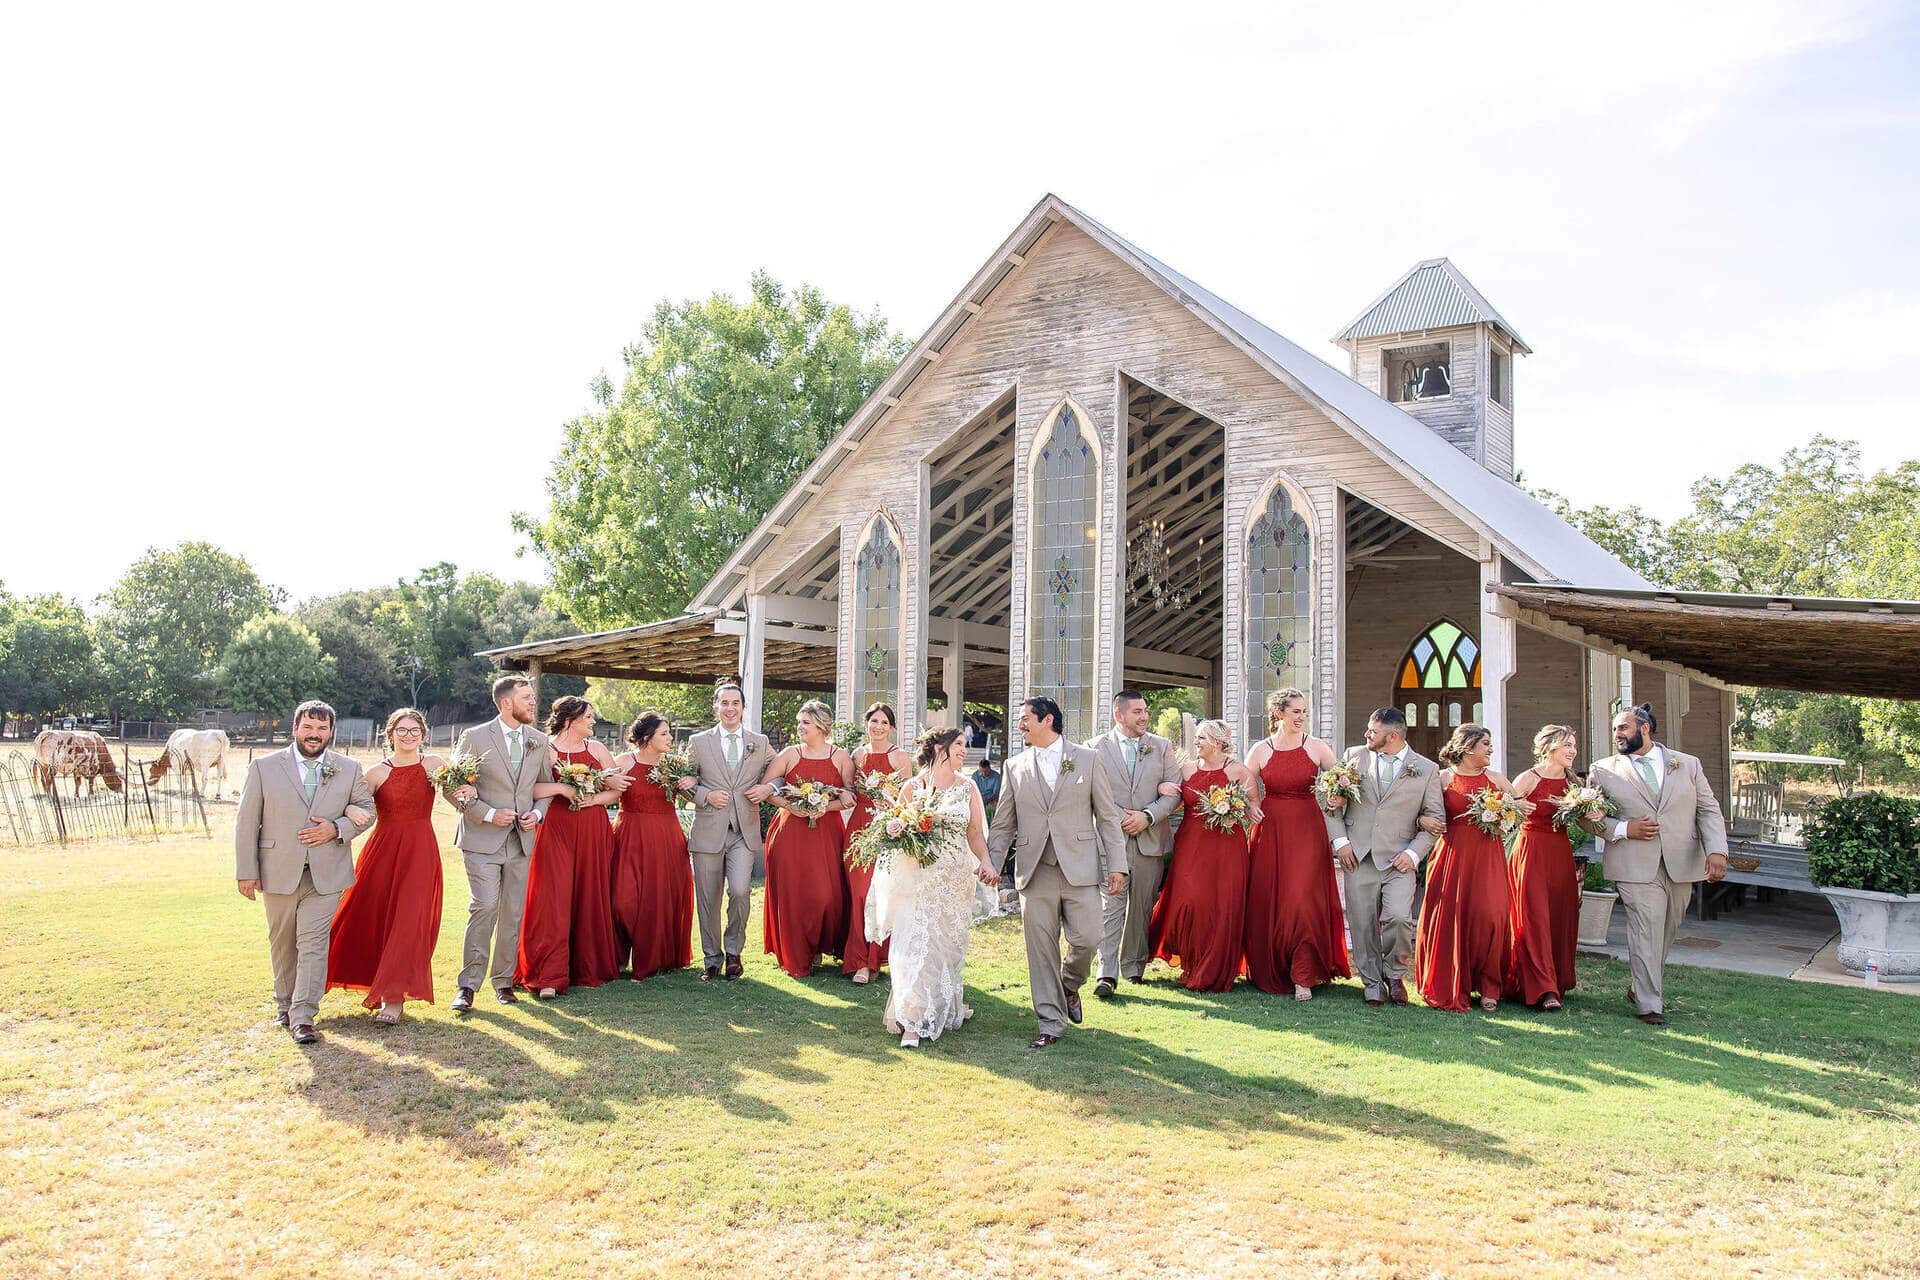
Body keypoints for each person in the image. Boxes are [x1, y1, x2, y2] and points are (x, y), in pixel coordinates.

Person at [986, 696, 1126, 1049]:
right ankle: (1050, 1022)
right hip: (1035, 872)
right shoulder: (1014, 766)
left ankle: (1068, 985)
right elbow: (1003, 824)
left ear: (1047, 720)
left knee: (1089, 938)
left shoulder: (1088, 759)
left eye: (1024, 719)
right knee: (1040, 950)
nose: (1020, 725)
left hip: (1080, 867)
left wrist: (1118, 865)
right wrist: (991, 862)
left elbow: (1107, 817)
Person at [234, 699, 374, 1044]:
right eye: (308, 727)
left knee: (313, 943)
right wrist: (245, 871)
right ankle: (284, 1003)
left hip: (327, 872)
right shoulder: (264, 768)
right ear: (295, 728)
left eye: (322, 728)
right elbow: (246, 822)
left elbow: (367, 811)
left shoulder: (349, 767)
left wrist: (337, 827)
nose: (315, 735)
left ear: (331, 732)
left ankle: (304, 1015)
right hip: (277, 870)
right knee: (282, 943)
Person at [1583, 704, 1728, 1027]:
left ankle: (1640, 986)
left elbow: (1708, 810)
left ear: (1644, 728)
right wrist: (1623, 829)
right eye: (1615, 729)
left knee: (1667, 929)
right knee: (1645, 930)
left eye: (1623, 728)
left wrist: (1717, 850)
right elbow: (1588, 817)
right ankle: (1651, 1004)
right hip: (1634, 863)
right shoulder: (1603, 769)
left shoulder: (1687, 764)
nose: (1617, 735)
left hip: (1682, 863)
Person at [866, 726, 1001, 1047]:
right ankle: (912, 1020)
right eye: (958, 745)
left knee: (946, 947)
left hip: (955, 880)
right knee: (914, 942)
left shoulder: (968, 788)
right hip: (919, 878)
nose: (963, 751)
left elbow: (974, 833)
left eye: (964, 746)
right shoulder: (913, 787)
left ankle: (943, 1002)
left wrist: (986, 861)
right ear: (939, 748)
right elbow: (893, 831)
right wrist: (899, 832)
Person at [325, 708, 450, 1024]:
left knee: (409, 919)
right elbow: (353, 804)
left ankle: (393, 999)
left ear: (423, 734)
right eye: (402, 730)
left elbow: (460, 795)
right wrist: (351, 809)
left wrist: (467, 790)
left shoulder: (435, 765)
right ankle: (318, 977)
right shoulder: (376, 772)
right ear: (390, 734)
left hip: (421, 849)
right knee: (369, 915)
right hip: (382, 850)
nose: (408, 736)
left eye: (414, 730)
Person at [1323, 707, 1446, 1008]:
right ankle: (1372, 983)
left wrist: (1413, 854)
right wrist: (1340, 842)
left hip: (1398, 860)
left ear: (1392, 736)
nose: (1367, 734)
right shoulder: (1353, 757)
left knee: (1399, 918)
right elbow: (1331, 803)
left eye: (1373, 731)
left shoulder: (1426, 769)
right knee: (1362, 923)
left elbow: (1435, 818)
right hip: (1358, 856)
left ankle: (1394, 974)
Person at [446, 675, 552, 1011]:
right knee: (485, 906)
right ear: (506, 703)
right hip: (482, 840)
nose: (533, 702)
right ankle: (468, 985)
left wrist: (537, 813)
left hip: (522, 841)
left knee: (512, 912)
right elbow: (453, 787)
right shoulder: (474, 737)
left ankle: (504, 982)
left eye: (533, 697)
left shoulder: (538, 740)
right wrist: (489, 814)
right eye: (526, 697)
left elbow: (544, 787)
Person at [515, 696, 627, 998]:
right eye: (588, 717)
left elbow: (616, 791)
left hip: (592, 829)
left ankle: (586, 966)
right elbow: (530, 788)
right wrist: (563, 788)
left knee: (589, 893)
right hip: (556, 828)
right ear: (570, 719)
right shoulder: (544, 748)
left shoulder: (599, 749)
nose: (593, 721)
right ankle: (549, 973)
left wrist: (594, 798)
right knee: (553, 897)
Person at [1242, 688, 1350, 1000]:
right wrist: (1252, 804)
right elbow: (1245, 782)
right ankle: (1273, 966)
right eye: (1296, 712)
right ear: (1279, 714)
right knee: (1272, 897)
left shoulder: (1316, 747)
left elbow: (1342, 777)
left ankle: (1304, 973)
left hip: (1307, 827)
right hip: (1271, 829)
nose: (1302, 717)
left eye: (1304, 711)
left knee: (1302, 899)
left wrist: (1337, 794)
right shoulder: (1260, 749)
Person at [1415, 724, 1526, 1013]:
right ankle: (1452, 982)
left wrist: (1505, 817)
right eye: (1485, 744)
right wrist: (1423, 821)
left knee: (1492, 915)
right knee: (1453, 917)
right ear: (1467, 747)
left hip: (1488, 857)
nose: (1491, 749)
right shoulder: (1442, 779)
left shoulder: (1497, 780)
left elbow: (1521, 812)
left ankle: (1490, 984)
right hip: (1452, 856)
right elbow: (1418, 811)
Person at [1145, 719, 1253, 992]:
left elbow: (1253, 808)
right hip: (1191, 844)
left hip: (1227, 847)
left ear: (1217, 742)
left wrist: (1235, 808)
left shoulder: (1239, 771)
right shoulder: (1188, 769)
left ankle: (1212, 966)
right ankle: (1191, 960)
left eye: (1201, 738)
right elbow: (1178, 799)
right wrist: (1164, 789)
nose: (1196, 743)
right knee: (1189, 900)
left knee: (1220, 903)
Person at [1089, 690, 1182, 996]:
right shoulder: (1095, 748)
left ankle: (1133, 968)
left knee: (1142, 907)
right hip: (1110, 840)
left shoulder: (1162, 747)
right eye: (1137, 712)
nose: (1144, 717)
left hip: (1150, 839)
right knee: (1111, 906)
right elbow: (1092, 792)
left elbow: (1174, 792)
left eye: (1145, 711)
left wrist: (1147, 816)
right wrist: (1119, 817)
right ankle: (1107, 972)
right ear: (1119, 715)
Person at [755, 700, 854, 978]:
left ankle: (820, 944)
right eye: (799, 722)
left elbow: (849, 796)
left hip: (827, 833)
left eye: (805, 723)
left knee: (826, 895)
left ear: (822, 726)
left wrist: (826, 807)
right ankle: (797, 952)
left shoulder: (841, 757)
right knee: (794, 894)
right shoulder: (790, 753)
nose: (800, 727)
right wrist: (790, 806)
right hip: (790, 832)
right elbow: (767, 789)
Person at [684, 683, 776, 980]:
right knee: (708, 898)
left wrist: (769, 788)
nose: (730, 708)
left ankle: (734, 951)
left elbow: (784, 770)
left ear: (743, 707)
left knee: (739, 890)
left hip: (744, 832)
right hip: (709, 830)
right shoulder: (698, 742)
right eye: (724, 703)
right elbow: (683, 782)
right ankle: (712, 958)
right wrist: (704, 796)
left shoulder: (759, 742)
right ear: (716, 706)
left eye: (735, 703)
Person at [609, 712, 693, 981]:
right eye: (664, 734)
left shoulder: (673, 766)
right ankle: (617, 956)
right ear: (647, 738)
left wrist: (692, 783)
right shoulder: (624, 761)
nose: (670, 738)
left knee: (658, 900)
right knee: (622, 900)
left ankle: (654, 959)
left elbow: (692, 794)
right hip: (629, 835)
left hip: (666, 837)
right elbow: (605, 788)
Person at [1507, 724, 1583, 1011]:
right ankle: (1542, 988)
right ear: (1549, 747)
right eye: (1567, 745)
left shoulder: (1574, 782)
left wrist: (1593, 811)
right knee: (1533, 917)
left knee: (1559, 915)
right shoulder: (1528, 778)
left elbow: (1584, 818)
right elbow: (1506, 815)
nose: (1572, 751)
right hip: (1531, 851)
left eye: (1574, 746)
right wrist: (1516, 810)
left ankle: (1557, 979)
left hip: (1560, 853)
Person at [842, 701, 907, 984]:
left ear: (891, 727)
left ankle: (876, 959)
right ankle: (859, 960)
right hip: (857, 829)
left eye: (884, 722)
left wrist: (890, 803)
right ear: (866, 723)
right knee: (858, 894)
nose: (878, 727)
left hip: (887, 830)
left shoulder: (900, 757)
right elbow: (847, 790)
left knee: (881, 894)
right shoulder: (856, 755)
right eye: (874, 721)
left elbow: (909, 799)